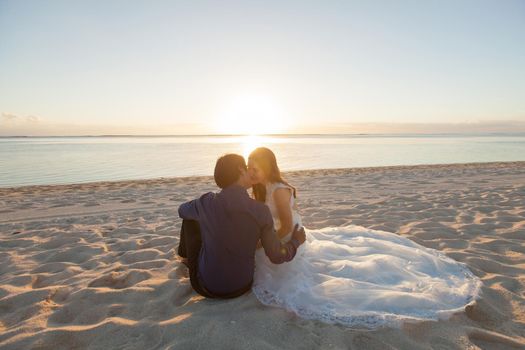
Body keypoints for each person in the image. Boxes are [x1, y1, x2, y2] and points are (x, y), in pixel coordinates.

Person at [248, 147, 481, 328]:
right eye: (248, 167)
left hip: (288, 235)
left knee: (301, 283)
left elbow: (286, 227)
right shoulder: (261, 187)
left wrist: (263, 243)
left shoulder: (278, 190)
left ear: (268, 167)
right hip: (277, 234)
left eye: (254, 167)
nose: (251, 171)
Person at [177, 153, 306, 299]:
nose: (250, 171)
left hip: (206, 287)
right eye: (246, 167)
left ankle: (185, 257)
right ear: (240, 170)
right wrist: (295, 241)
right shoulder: (260, 210)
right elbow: (276, 256)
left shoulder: (206, 201)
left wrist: (203, 211)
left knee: (190, 219)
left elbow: (181, 210)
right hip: (242, 286)